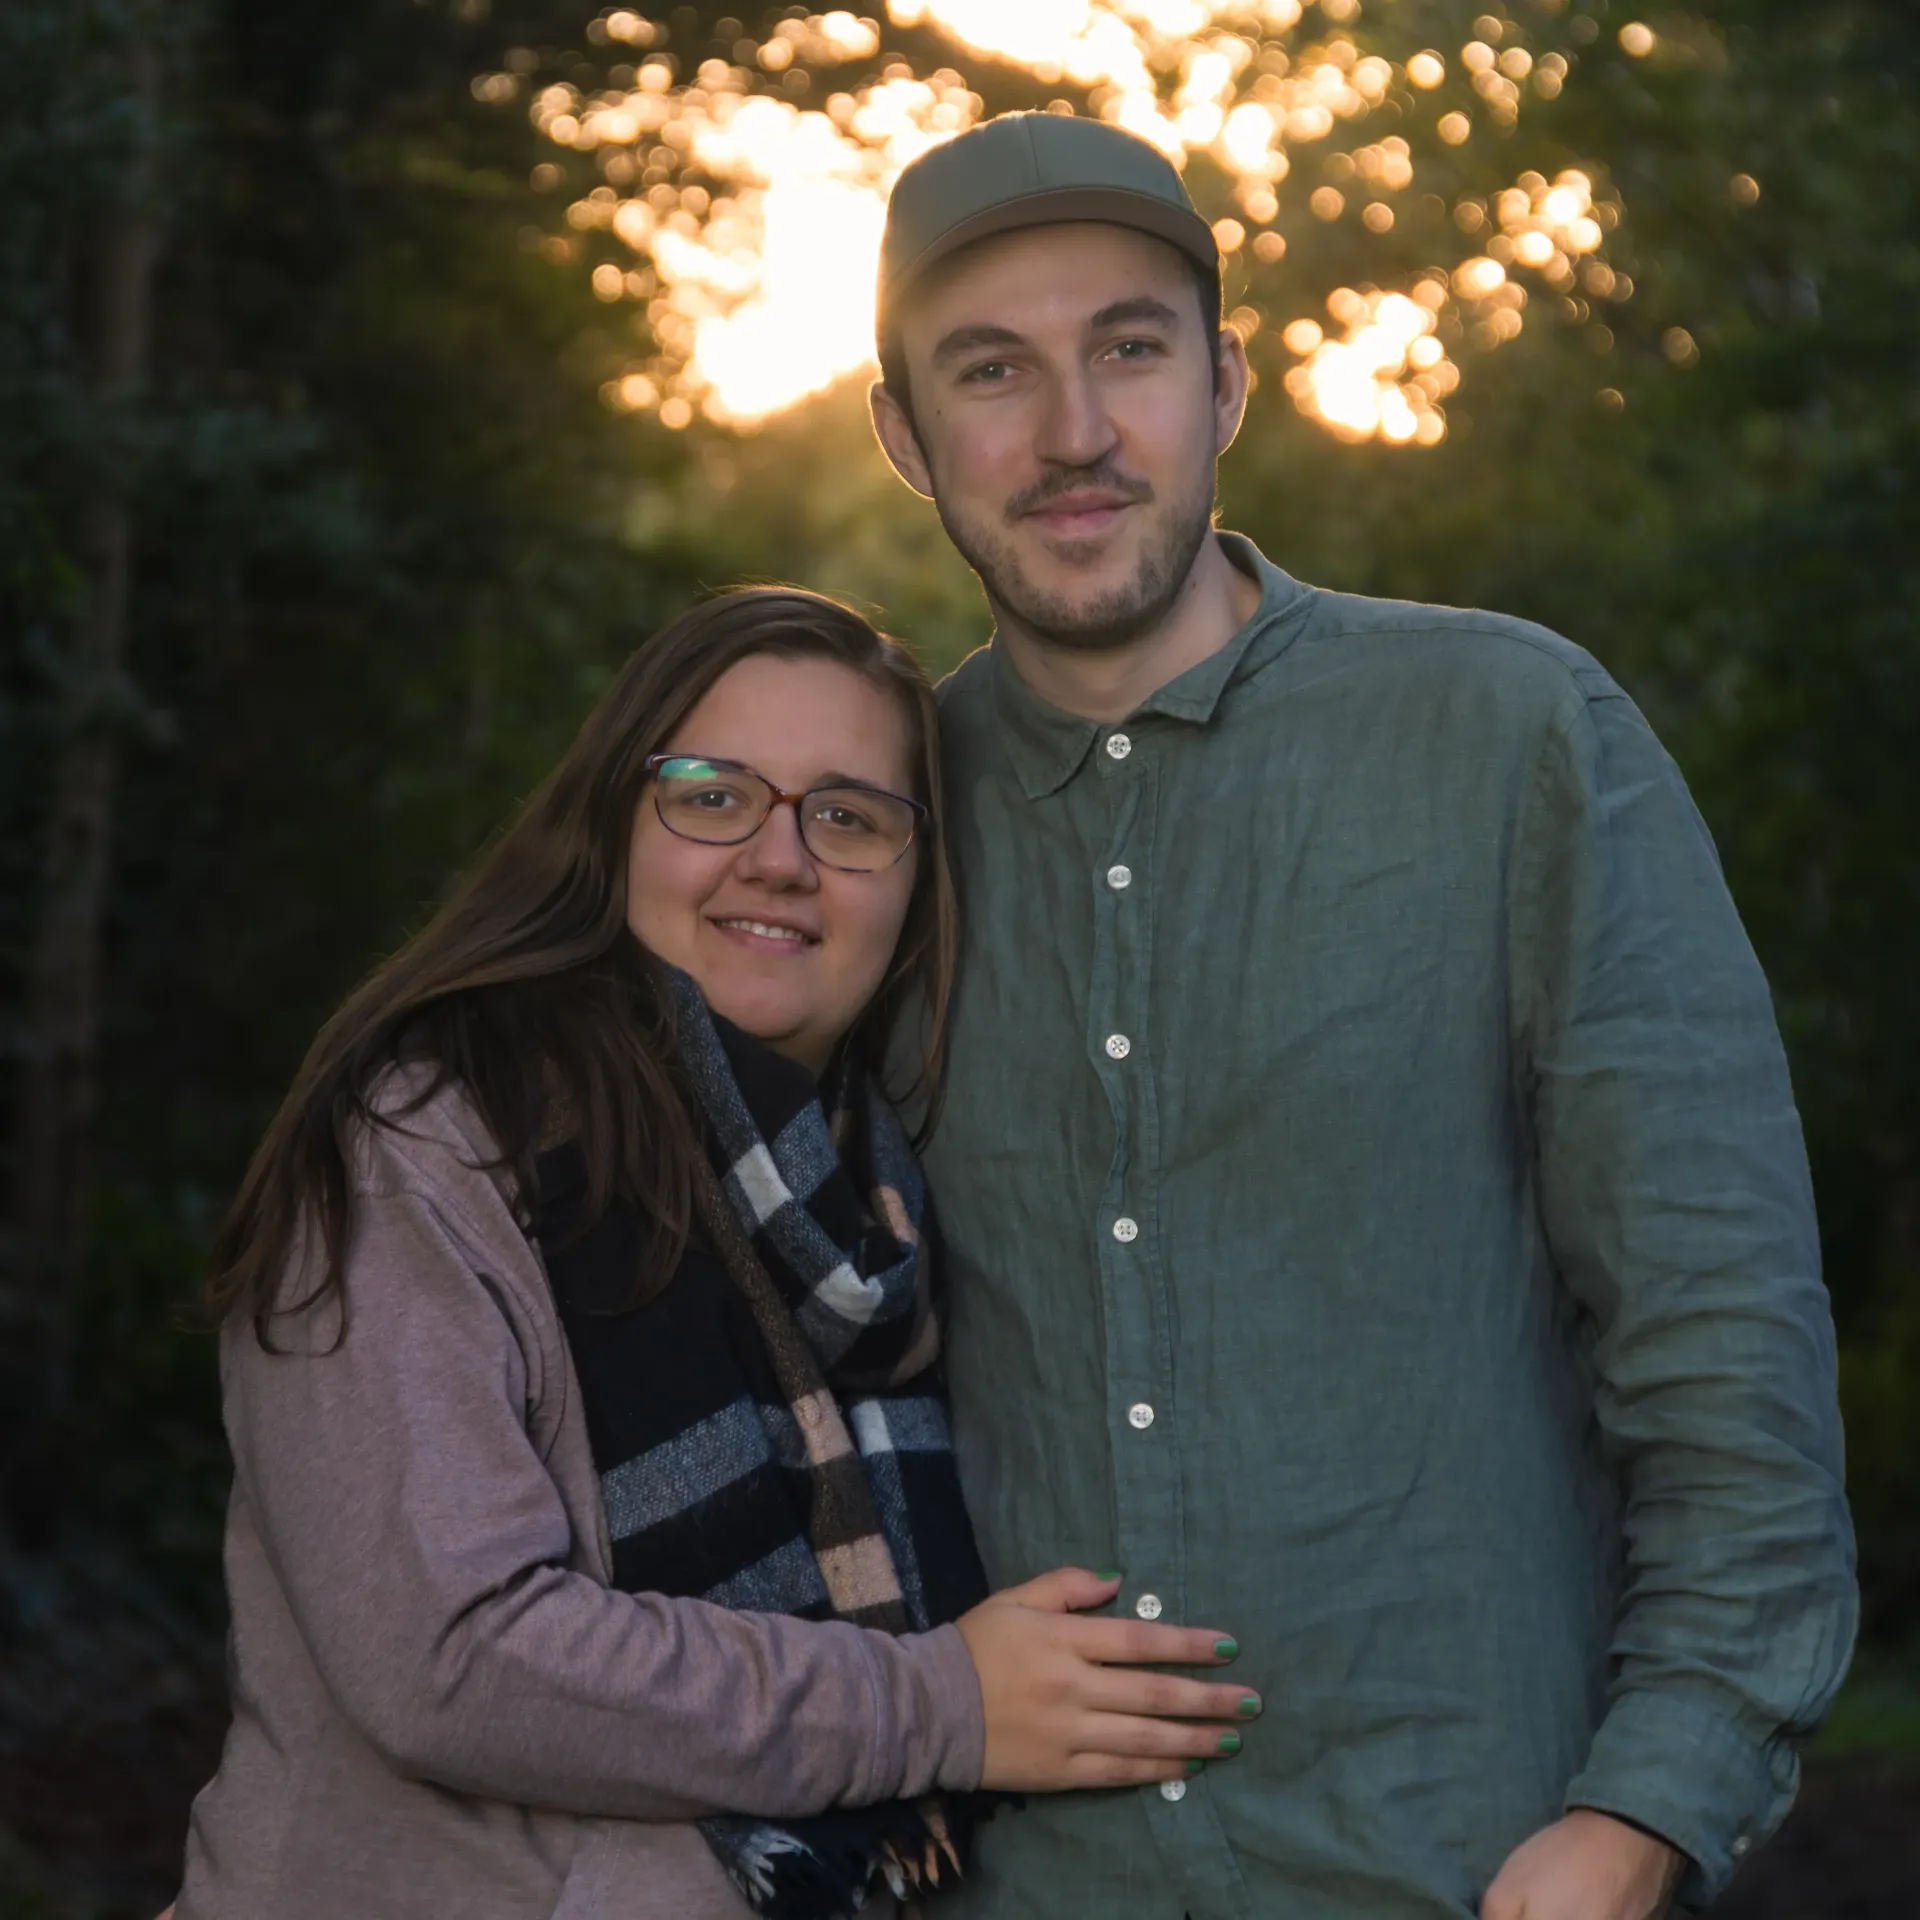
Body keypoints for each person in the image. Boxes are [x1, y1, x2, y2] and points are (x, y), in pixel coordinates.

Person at [867, 113, 1857, 1920]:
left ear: (1228, 383)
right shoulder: (870, 833)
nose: (1075, 432)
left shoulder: (1513, 737)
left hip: (1467, 1868)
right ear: (902, 433)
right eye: (992, 371)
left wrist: (1650, 1804)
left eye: (1132, 350)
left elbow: (1721, 1341)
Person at [170, 588, 1259, 1920]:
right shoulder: (423, 1145)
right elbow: (450, 1660)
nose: (781, 858)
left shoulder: (885, 1206)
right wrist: (938, 1706)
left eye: (850, 817)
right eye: (712, 793)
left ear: (916, 896)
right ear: (614, 823)